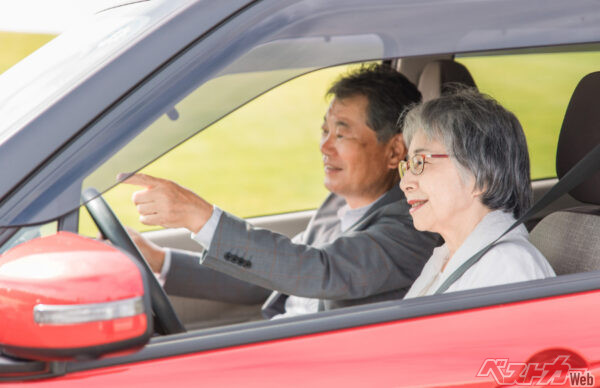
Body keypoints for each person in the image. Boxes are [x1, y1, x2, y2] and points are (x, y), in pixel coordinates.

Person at [123, 64, 440, 319]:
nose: (324, 147)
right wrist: (158, 259)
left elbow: (316, 270)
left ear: (395, 150)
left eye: (341, 134)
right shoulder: (337, 205)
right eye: (324, 131)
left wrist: (198, 216)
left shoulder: (413, 229)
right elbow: (272, 270)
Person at [398, 88, 555, 298]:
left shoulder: (508, 268)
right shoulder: (447, 257)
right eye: (406, 165)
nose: (404, 183)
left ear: (481, 176)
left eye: (419, 162)